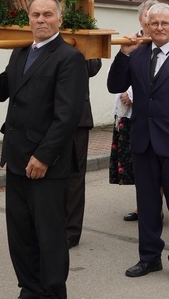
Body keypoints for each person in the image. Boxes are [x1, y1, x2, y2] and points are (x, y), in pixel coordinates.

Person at [0, 0, 88, 299]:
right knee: (21, 233)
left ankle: (52, 292)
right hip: (16, 157)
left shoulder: (69, 58)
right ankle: (30, 287)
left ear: (59, 19)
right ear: (29, 19)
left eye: (48, 15)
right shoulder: (21, 53)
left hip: (47, 163)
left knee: (49, 235)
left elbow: (67, 116)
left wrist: (43, 156)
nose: (41, 20)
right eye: (35, 14)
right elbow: (4, 93)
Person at [107, 3, 169, 286]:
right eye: (154, 23)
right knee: (148, 204)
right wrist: (122, 55)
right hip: (143, 142)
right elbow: (115, 85)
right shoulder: (137, 55)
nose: (160, 28)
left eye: (165, 23)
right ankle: (149, 257)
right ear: (147, 26)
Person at [110, 0, 158, 222]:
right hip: (132, 114)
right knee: (138, 163)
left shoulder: (166, 44)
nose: (150, 22)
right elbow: (119, 80)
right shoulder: (132, 43)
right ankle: (144, 205)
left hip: (155, 115)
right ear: (141, 20)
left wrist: (133, 93)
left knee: (157, 163)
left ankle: (156, 205)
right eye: (146, 17)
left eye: (154, 17)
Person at [66, 58, 102, 248]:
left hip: (77, 118)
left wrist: (80, 48)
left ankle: (71, 231)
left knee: (75, 175)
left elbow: (93, 67)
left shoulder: (83, 36)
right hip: (44, 116)